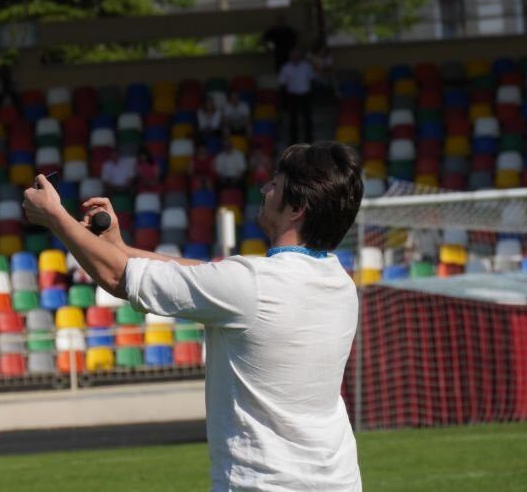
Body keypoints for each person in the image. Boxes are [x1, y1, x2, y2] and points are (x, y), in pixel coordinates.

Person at [24, 141, 364, 491]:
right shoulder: (340, 283)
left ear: (296, 208)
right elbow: (208, 277)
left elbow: (117, 278)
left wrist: (57, 217)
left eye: (274, 184)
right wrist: (120, 249)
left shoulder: (251, 285)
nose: (264, 189)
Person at [278, 50, 315, 144]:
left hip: (305, 95)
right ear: (290, 57)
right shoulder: (286, 68)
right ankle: (293, 141)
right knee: (293, 120)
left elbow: (311, 80)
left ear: (300, 56)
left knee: (307, 118)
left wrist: (310, 93)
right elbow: (282, 83)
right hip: (292, 96)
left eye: (297, 56)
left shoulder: (306, 66)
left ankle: (309, 139)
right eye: (293, 56)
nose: (295, 58)